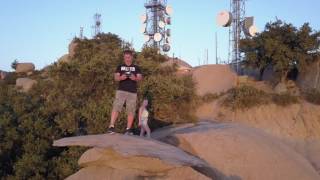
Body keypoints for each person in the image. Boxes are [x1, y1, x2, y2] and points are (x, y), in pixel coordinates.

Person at [108, 49, 142, 135]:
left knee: (131, 110)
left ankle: (128, 129)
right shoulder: (120, 67)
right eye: (125, 57)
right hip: (121, 91)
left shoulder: (136, 67)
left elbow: (140, 78)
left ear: (132, 57)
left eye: (128, 57)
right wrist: (121, 78)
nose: (127, 59)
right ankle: (111, 126)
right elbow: (116, 78)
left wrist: (135, 78)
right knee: (116, 107)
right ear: (124, 58)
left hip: (132, 92)